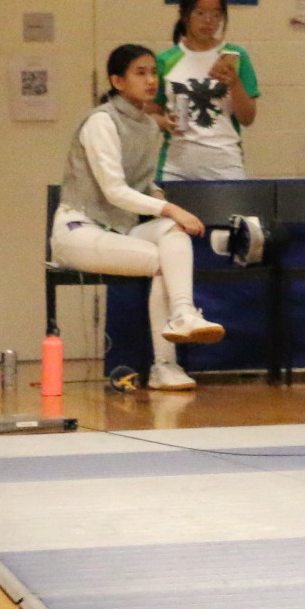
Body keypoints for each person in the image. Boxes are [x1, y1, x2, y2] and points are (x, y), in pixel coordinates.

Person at [52, 43, 226, 392]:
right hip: (78, 231)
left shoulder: (149, 125)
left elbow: (143, 183)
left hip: (119, 231)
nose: (150, 80)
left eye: (153, 72)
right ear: (117, 81)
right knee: (164, 250)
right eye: (140, 73)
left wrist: (159, 197)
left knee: (172, 232)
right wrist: (170, 206)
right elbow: (115, 190)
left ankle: (182, 316)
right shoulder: (101, 122)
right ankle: (165, 363)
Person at [154, 0, 259, 182]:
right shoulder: (165, 60)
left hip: (224, 162)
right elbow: (149, 112)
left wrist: (235, 83)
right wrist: (162, 121)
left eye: (216, 15)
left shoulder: (235, 56)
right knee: (168, 213)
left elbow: (248, 118)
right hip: (175, 164)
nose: (208, 21)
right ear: (185, 15)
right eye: (200, 13)